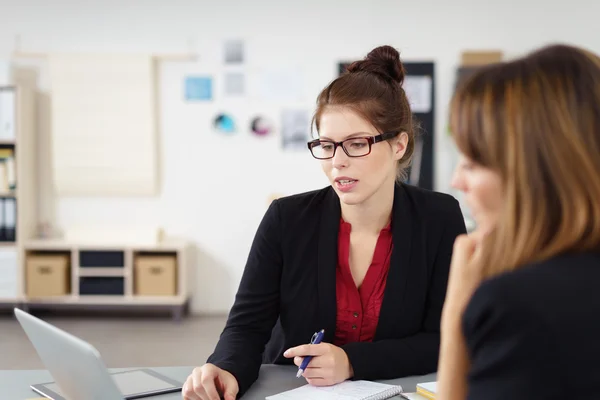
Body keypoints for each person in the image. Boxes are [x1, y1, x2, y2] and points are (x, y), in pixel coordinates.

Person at [182, 45, 466, 400]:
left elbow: (447, 338)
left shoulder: (438, 218)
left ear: (398, 145)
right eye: (327, 145)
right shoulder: (286, 220)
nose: (338, 162)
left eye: (356, 144)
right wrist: (225, 368)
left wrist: (351, 361)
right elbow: (246, 326)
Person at [437, 43, 600, 400]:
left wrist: (456, 317)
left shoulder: (518, 305)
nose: (456, 181)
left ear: (536, 170)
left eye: (473, 163)